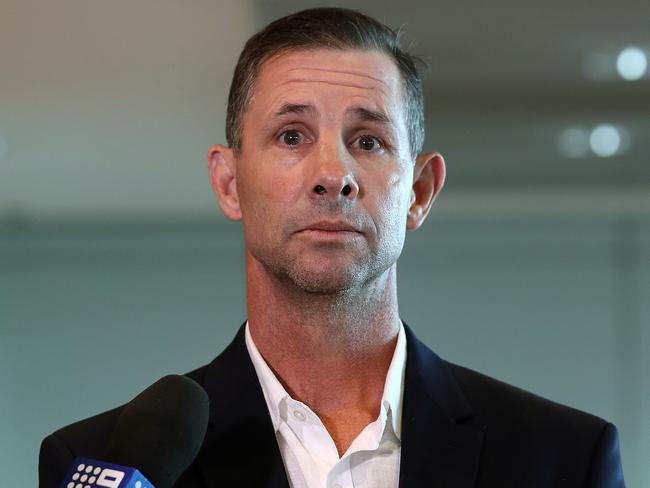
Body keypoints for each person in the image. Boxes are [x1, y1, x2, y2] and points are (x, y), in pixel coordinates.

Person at [39, 7, 625, 488]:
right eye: (291, 135)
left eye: (368, 140)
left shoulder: (564, 459)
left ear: (419, 192)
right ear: (229, 182)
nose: (332, 174)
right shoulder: (100, 462)